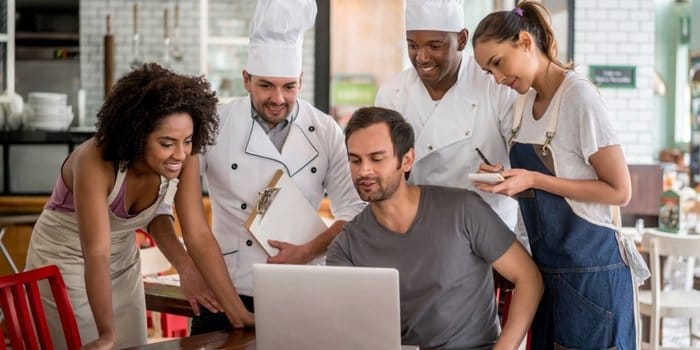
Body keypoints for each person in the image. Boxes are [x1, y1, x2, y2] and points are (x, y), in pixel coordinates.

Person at [25, 63, 248, 349]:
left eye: (188, 140)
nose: (180, 153)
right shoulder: (95, 161)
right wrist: (106, 334)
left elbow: (195, 233)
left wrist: (233, 310)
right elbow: (96, 254)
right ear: (136, 135)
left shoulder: (182, 156)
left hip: (121, 262)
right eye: (166, 143)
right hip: (65, 260)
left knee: (133, 344)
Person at [471, 2, 649, 349]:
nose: (497, 78)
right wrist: (508, 178)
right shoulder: (525, 103)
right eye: (488, 72)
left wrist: (535, 180)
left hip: (593, 276)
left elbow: (619, 190)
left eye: (497, 63)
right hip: (546, 275)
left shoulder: (579, 97)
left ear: (525, 42)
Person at [191, 0, 365, 334]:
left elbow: (354, 211)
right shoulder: (213, 125)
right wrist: (189, 268)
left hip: (301, 287)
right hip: (227, 288)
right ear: (246, 79)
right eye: (266, 85)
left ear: (301, 79)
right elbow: (170, 202)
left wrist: (308, 251)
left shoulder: (326, 130)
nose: (278, 98)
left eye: (289, 86)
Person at [326, 107, 543, 350]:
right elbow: (346, 328)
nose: (364, 170)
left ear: (406, 160)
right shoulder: (345, 247)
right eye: (355, 160)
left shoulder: (463, 209)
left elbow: (529, 278)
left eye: (377, 159)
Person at [374, 0, 522, 236]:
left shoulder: (495, 84)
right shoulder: (392, 94)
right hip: (419, 229)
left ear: (462, 40)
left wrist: (505, 174)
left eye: (434, 46)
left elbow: (523, 165)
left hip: (489, 234)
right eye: (412, 45)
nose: (421, 57)